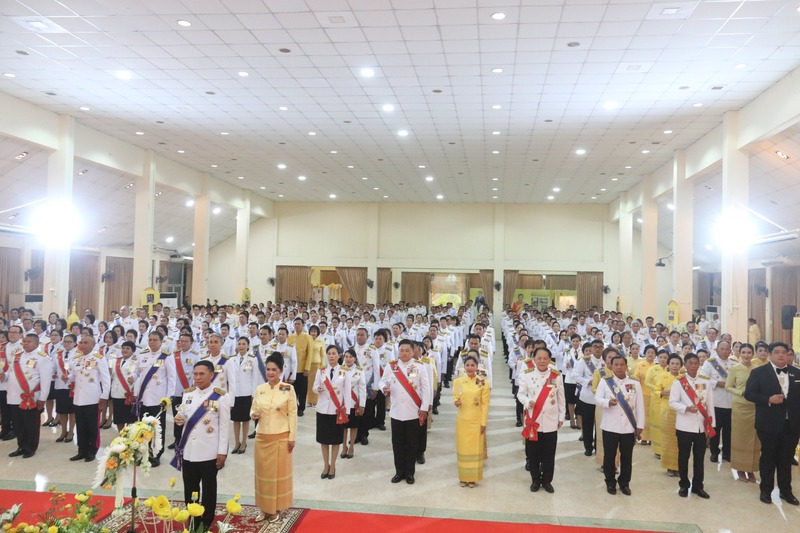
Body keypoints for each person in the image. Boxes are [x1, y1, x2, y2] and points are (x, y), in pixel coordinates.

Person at [172, 360, 231, 531]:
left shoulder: (221, 397)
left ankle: (206, 520)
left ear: (211, 375)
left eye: (202, 374)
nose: (197, 377)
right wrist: (178, 419)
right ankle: (193, 518)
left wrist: (222, 452)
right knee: (190, 487)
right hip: (189, 450)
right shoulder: (188, 394)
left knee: (209, 488)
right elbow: (182, 414)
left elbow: (224, 427)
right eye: (195, 374)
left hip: (209, 451)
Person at [744, 342, 800, 506]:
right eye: (777, 352)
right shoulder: (759, 372)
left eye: (784, 352)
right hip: (768, 424)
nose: (781, 355)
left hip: (792, 425)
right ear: (770, 354)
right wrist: (768, 399)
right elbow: (749, 394)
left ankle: (786, 491)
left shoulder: (797, 373)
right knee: (768, 458)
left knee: (786, 459)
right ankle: (766, 491)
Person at [251, 352, 297, 522]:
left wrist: (292, 437)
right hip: (262, 437)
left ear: (280, 371)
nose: (270, 373)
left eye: (274, 370)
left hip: (281, 437)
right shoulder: (260, 389)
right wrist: (253, 414)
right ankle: (264, 508)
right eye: (268, 369)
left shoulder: (288, 389)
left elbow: (293, 414)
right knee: (263, 475)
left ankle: (276, 508)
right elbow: (254, 407)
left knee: (277, 475)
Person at [379, 338, 431, 484]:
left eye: (407, 351)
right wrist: (383, 388)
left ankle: (409, 473)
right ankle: (399, 472)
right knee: (397, 444)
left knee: (412, 444)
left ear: (413, 352)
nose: (404, 353)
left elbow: (426, 389)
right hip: (396, 412)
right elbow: (382, 380)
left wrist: (424, 408)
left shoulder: (419, 366)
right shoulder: (392, 366)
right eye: (401, 350)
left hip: (413, 412)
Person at [595, 356, 645, 495]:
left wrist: (640, 425)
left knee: (627, 457)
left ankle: (624, 483)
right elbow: (597, 399)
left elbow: (640, 406)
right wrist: (607, 403)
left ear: (626, 366)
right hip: (610, 426)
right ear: (611, 366)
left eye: (622, 364)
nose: (619, 367)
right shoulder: (605, 382)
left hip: (628, 427)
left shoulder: (635, 383)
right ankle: (610, 482)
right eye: (616, 364)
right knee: (609, 456)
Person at [518, 347, 564, 493]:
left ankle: (547, 480)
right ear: (534, 359)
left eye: (545, 358)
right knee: (533, 454)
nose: (542, 361)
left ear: (549, 360)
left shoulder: (556, 375)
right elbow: (520, 394)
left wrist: (561, 416)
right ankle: (535, 480)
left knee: (549, 454)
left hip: (551, 421)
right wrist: (527, 402)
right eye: (539, 358)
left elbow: (561, 398)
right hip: (533, 420)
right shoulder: (527, 375)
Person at [669, 352, 714, 498]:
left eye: (696, 363)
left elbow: (710, 404)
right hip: (684, 426)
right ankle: (684, 485)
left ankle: (698, 486)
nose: (693, 366)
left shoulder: (705, 381)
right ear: (685, 365)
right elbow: (672, 402)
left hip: (701, 426)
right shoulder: (679, 382)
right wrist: (686, 408)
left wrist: (711, 425)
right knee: (683, 457)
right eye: (690, 363)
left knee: (699, 458)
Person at [2, 333, 52, 458]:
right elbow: (11, 372)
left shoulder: (42, 358)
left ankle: (31, 447)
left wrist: (42, 398)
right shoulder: (17, 356)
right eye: (24, 341)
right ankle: (21, 446)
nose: (25, 344)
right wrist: (4, 376)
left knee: (31, 424)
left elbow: (46, 381)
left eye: (29, 341)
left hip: (30, 397)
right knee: (18, 424)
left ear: (36, 343)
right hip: (14, 396)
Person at [134, 330, 177, 467]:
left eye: (155, 340)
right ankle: (144, 452)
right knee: (143, 427)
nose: (152, 342)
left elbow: (172, 379)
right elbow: (136, 372)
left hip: (158, 399)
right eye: (150, 339)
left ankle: (156, 454)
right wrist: (131, 377)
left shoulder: (166, 357)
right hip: (143, 398)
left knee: (158, 428)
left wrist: (168, 399)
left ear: (161, 342)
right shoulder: (143, 355)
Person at [68, 335, 111, 462]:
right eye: (81, 342)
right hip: (78, 398)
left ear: (93, 344)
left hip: (93, 398)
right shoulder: (77, 358)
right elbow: (74, 375)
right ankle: (81, 450)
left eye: (86, 343)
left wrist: (104, 396)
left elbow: (106, 379)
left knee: (92, 426)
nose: (83, 345)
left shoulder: (99, 358)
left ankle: (92, 451)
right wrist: (67, 378)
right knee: (81, 426)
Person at [313, 344, 351, 480]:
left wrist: (347, 410)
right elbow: (314, 388)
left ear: (339, 356)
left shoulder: (344, 371)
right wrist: (318, 389)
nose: (331, 356)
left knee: (335, 440)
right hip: (323, 409)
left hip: (337, 410)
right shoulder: (321, 370)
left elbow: (347, 392)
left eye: (334, 353)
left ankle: (333, 465)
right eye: (329, 354)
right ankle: (326, 465)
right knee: (323, 440)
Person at [453, 353, 491, 488]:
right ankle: (463, 477)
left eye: (472, 365)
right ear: (464, 367)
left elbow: (485, 404)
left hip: (476, 421)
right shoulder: (458, 382)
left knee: (475, 449)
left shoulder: (483, 383)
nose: (470, 368)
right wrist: (456, 402)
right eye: (467, 365)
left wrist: (483, 423)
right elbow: (456, 397)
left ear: (477, 367)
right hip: (462, 420)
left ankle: (473, 478)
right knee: (463, 448)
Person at [726, 343, 759, 482]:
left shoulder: (758, 369)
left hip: (755, 407)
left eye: (749, 352)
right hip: (740, 406)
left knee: (753, 438)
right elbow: (728, 386)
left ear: (753, 354)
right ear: (739, 354)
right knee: (740, 437)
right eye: (743, 352)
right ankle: (740, 468)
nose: (746, 355)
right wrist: (740, 392)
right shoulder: (735, 368)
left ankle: (750, 469)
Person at [701, 340, 736, 463]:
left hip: (731, 402)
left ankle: (727, 453)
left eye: (727, 349)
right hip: (716, 402)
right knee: (715, 429)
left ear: (730, 350)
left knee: (729, 430)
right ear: (717, 350)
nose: (725, 351)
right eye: (722, 349)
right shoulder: (710, 363)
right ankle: (714, 452)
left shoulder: (735, 363)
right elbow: (702, 378)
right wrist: (716, 383)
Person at [656, 354, 683, 476]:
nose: (675, 366)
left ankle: (679, 466)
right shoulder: (662, 376)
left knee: (680, 440)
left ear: (681, 365)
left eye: (677, 364)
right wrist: (662, 392)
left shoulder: (683, 378)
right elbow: (656, 390)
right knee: (668, 438)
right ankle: (669, 466)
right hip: (666, 410)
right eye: (672, 363)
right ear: (668, 364)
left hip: (681, 411)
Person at [231, 337, 257, 455]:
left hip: (247, 393)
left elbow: (255, 378)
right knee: (235, 420)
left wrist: (254, 395)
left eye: (243, 344)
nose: (241, 346)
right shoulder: (232, 359)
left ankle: (244, 442)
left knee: (245, 419)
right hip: (235, 394)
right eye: (239, 344)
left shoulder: (252, 359)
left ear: (248, 346)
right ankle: (237, 442)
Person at [341, 348, 365, 459]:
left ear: (355, 358)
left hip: (354, 403)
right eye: (346, 356)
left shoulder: (359, 370)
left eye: (350, 357)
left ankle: (351, 447)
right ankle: (344, 447)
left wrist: (362, 404)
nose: (348, 359)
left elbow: (362, 388)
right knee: (343, 427)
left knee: (353, 426)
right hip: (343, 403)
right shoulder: (340, 369)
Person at [52, 333, 77, 442]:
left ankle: (71, 431)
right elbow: (53, 368)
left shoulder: (78, 354)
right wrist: (53, 374)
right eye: (65, 342)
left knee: (72, 411)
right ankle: (63, 431)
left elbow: (77, 370)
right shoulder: (58, 354)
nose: (66, 344)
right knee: (61, 410)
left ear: (75, 343)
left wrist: (69, 377)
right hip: (60, 385)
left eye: (69, 342)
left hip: (72, 386)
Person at [287, 318, 313, 417]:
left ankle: (301, 408)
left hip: (302, 368)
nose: (297, 326)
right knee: (293, 390)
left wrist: (307, 368)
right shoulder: (290, 337)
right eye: (295, 324)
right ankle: (295, 407)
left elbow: (310, 353)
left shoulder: (307, 337)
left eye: (299, 324)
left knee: (302, 390)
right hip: (292, 369)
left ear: (303, 325)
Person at [645, 349, 669, 457]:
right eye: (661, 357)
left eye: (665, 357)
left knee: (667, 425)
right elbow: (647, 382)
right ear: (657, 358)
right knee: (657, 425)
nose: (663, 359)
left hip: (668, 400)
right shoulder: (653, 369)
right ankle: (658, 450)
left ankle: (666, 449)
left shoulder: (671, 368)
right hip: (656, 399)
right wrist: (657, 388)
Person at [110, 341, 138, 431]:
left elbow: (138, 375)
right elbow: (111, 375)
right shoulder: (115, 361)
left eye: (128, 348)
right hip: (117, 393)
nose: (125, 350)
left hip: (129, 394)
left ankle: (129, 436)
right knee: (119, 419)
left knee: (130, 419)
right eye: (123, 348)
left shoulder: (136, 361)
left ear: (133, 351)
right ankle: (121, 434)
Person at [632, 344, 657, 445]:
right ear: (645, 353)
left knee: (652, 417)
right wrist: (637, 378)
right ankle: (643, 437)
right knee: (643, 416)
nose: (650, 354)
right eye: (648, 352)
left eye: (652, 353)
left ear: (655, 355)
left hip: (654, 395)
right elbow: (634, 376)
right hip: (643, 394)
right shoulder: (640, 365)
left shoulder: (657, 367)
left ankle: (651, 438)